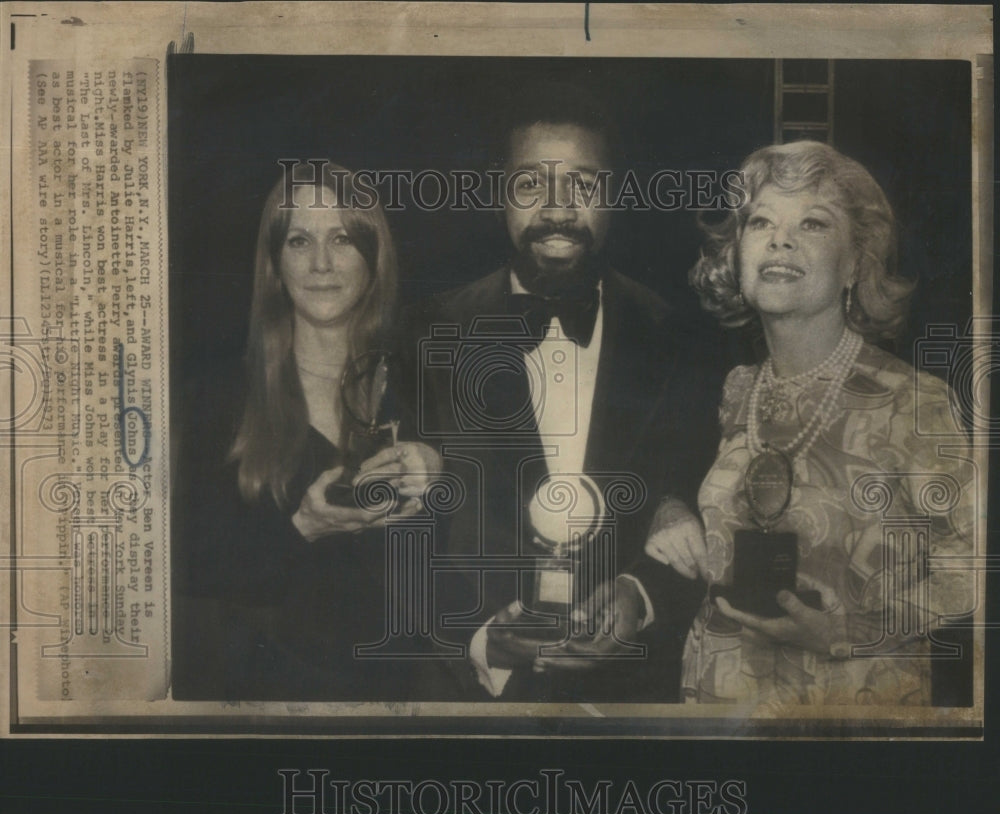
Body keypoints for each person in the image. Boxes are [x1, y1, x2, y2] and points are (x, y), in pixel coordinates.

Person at [410, 83, 726, 701]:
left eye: (583, 184)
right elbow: (400, 533)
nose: (557, 210)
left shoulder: (681, 337)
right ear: (498, 193)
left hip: (634, 699)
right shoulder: (426, 332)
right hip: (470, 701)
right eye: (531, 183)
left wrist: (642, 595)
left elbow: (707, 503)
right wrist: (476, 637)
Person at [636, 140, 975, 709]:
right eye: (761, 221)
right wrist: (670, 518)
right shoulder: (736, 389)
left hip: (853, 725)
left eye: (813, 223)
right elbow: (677, 495)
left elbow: (976, 570)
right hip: (719, 709)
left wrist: (849, 631)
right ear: (736, 254)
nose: (780, 239)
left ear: (855, 263)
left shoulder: (914, 401)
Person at [172, 163, 443, 701]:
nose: (321, 264)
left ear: (373, 256)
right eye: (299, 240)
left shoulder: (424, 384)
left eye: (342, 238)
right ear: (275, 263)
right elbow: (189, 570)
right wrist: (302, 527)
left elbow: (474, 553)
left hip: (408, 699)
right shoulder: (221, 397)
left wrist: (442, 473)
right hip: (269, 697)